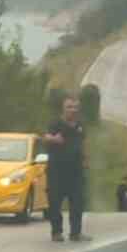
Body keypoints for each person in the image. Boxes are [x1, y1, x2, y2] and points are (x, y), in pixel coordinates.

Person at [42, 95, 89, 242]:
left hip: (76, 172)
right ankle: (56, 232)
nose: (73, 110)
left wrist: (86, 159)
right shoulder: (56, 123)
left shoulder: (80, 125)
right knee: (55, 203)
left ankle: (76, 233)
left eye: (75, 107)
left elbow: (83, 143)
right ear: (63, 108)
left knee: (77, 202)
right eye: (69, 107)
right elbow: (45, 137)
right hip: (57, 171)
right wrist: (54, 139)